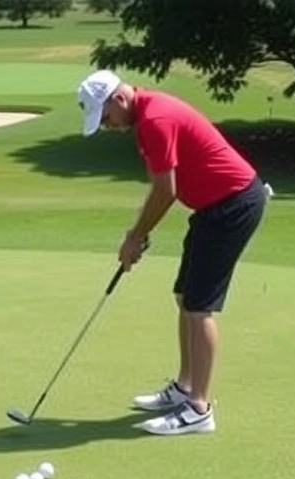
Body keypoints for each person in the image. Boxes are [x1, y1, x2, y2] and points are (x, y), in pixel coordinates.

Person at [76, 70, 270, 435]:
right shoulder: (147, 116)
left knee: (199, 307)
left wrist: (136, 236)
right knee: (185, 296)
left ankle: (199, 407)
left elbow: (165, 190)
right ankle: (184, 387)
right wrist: (140, 233)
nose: (107, 125)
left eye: (105, 117)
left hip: (233, 205)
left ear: (118, 99)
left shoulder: (155, 120)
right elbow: (168, 188)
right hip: (213, 208)